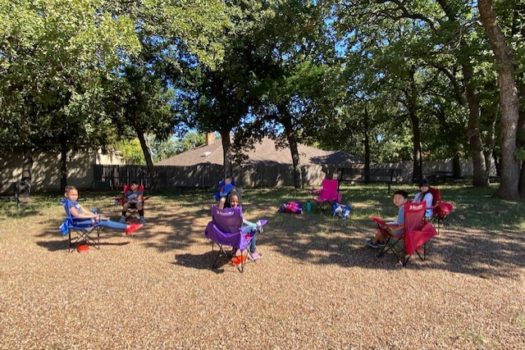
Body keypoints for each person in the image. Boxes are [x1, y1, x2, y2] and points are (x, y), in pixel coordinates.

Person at [64, 186, 142, 235]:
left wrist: (93, 214)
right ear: (66, 195)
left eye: (76, 195)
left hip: (82, 220)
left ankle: (125, 227)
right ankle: (128, 227)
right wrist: (94, 216)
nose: (75, 196)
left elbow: (84, 211)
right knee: (102, 221)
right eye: (72, 195)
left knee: (96, 211)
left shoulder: (74, 203)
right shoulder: (69, 204)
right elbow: (78, 216)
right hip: (79, 223)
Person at [225, 190, 263, 263]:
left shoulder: (225, 211)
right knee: (253, 229)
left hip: (231, 235)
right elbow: (241, 222)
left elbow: (242, 221)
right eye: (233, 201)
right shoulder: (234, 211)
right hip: (236, 234)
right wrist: (253, 225)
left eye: (236, 201)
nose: (235, 203)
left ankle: (235, 249)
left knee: (251, 227)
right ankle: (253, 251)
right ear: (229, 201)